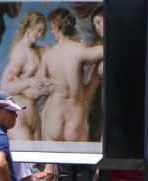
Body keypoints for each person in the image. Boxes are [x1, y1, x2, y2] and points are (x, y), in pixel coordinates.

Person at [38, 8, 104, 143]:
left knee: (51, 164)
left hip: (54, 113)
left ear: (57, 27)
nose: (51, 32)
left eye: (52, 28)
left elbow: (38, 84)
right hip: (74, 115)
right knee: (80, 161)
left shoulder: (48, 55)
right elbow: (109, 48)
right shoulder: (80, 50)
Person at [0, 11, 51, 141]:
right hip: (19, 117)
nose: (39, 35)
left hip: (33, 116)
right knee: (27, 161)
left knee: (39, 161)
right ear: (29, 27)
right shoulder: (20, 52)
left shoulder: (34, 49)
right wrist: (28, 82)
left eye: (41, 32)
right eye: (38, 31)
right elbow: (4, 86)